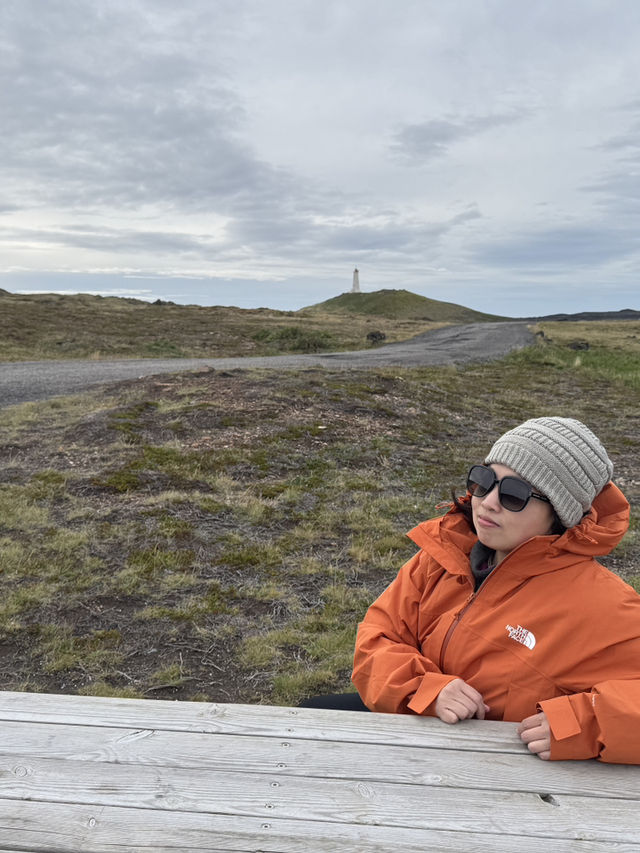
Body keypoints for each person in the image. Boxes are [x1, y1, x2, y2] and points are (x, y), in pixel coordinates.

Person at [349, 416, 640, 763]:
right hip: (416, 727)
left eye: (514, 494)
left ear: (560, 514)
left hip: (496, 772)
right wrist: (426, 689)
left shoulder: (603, 607)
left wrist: (582, 724)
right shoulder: (444, 554)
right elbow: (376, 638)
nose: (487, 501)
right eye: (484, 481)